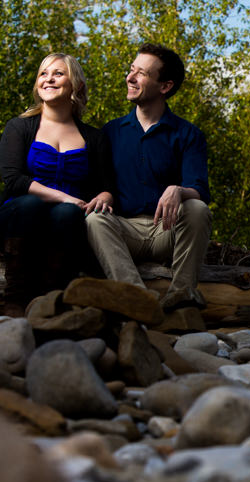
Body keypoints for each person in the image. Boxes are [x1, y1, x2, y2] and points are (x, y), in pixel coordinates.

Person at [0, 53, 114, 316]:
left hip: (66, 220)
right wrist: (64, 197)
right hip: (18, 216)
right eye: (43, 74)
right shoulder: (20, 127)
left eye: (58, 74)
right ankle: (15, 301)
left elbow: (106, 185)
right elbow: (14, 181)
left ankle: (51, 300)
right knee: (31, 204)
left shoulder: (94, 137)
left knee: (68, 213)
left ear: (76, 85)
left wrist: (106, 196)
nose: (48, 79)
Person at [85, 42, 211, 312]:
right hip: (122, 230)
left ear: (165, 86)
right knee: (95, 220)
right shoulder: (110, 132)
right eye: (131, 70)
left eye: (141, 73)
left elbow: (200, 189)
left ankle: (182, 294)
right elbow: (98, 185)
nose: (130, 78)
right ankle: (137, 298)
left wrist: (179, 190)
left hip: (166, 230)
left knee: (197, 208)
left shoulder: (188, 134)